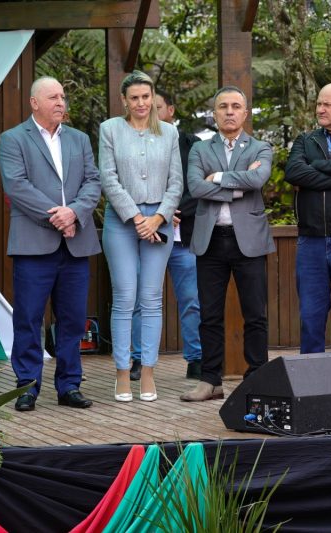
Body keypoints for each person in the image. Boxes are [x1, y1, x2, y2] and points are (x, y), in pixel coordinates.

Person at [0, 76, 101, 411]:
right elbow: (16, 185)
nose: (61, 102)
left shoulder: (80, 139)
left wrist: (74, 213)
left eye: (63, 96)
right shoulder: (13, 139)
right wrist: (56, 215)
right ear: (34, 103)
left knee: (72, 319)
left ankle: (69, 385)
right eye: (53, 97)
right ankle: (27, 386)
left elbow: (92, 181)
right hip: (34, 243)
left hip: (75, 242)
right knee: (28, 317)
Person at [180, 86, 274, 402]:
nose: (230, 111)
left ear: (245, 113)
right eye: (223, 106)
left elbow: (258, 181)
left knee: (255, 314)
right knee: (209, 314)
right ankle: (211, 381)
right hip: (211, 241)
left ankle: (258, 377)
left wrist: (217, 177)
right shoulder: (199, 150)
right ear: (215, 114)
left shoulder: (261, 148)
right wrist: (237, 186)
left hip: (249, 242)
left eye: (236, 106)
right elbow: (194, 187)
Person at [100, 70, 183, 403]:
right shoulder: (110, 129)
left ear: (153, 98)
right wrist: (137, 218)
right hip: (122, 221)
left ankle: (147, 371)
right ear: (124, 100)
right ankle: (122, 372)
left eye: (146, 97)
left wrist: (158, 217)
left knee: (151, 299)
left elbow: (176, 183)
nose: (141, 103)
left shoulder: (170, 133)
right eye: (134, 98)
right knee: (124, 297)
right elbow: (108, 178)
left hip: (160, 221)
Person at [130, 89, 203, 381]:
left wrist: (168, 210)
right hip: (146, 235)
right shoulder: (131, 142)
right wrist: (152, 218)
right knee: (140, 301)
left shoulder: (191, 144)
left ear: (170, 110)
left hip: (182, 237)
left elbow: (198, 187)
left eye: (155, 106)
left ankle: (196, 359)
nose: (148, 110)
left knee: (191, 300)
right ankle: (137, 359)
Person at [284, 82, 331, 354]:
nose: (320, 109)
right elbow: (294, 172)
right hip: (310, 240)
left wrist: (315, 167)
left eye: (327, 104)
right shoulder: (306, 140)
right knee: (311, 315)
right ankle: (310, 385)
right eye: (318, 104)